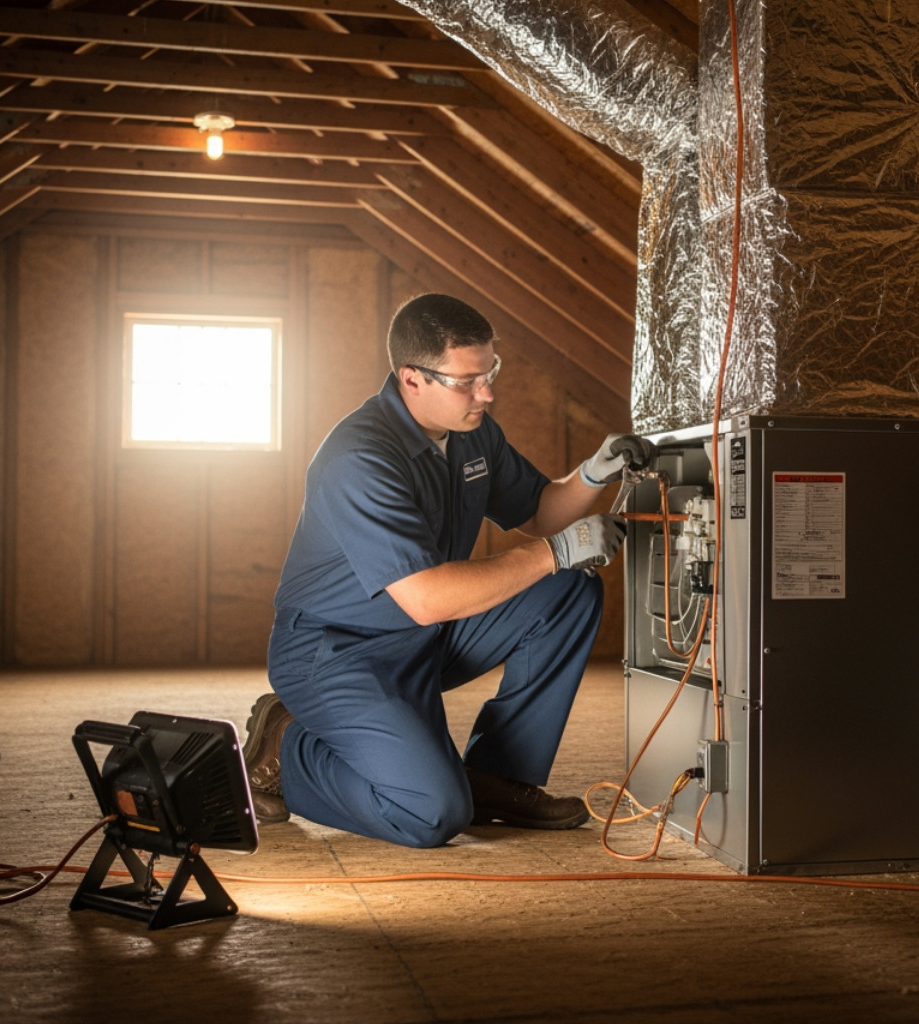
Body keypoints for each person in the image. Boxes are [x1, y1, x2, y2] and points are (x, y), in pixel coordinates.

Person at [242, 293, 653, 848]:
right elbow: (427, 598)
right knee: (430, 813)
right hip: (337, 653)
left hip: (420, 638)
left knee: (568, 589)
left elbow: (537, 512)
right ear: (413, 378)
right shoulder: (358, 459)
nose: (487, 392)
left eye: (490, 372)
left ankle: (495, 778)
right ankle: (285, 749)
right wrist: (556, 549)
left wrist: (594, 472)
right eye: (467, 380)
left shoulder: (471, 430)